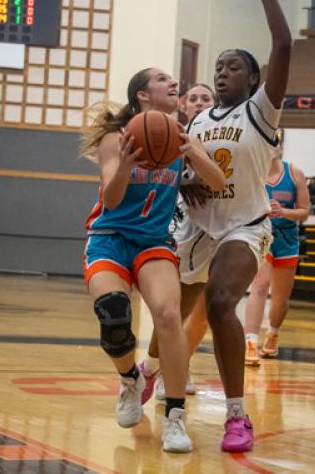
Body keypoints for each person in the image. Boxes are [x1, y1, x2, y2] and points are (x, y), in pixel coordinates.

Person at [142, 0, 291, 453]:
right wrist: (187, 182)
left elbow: (284, 42)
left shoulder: (261, 111)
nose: (222, 73)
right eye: (218, 67)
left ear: (253, 78)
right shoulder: (199, 121)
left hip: (244, 228)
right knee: (172, 313)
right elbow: (181, 174)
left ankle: (236, 415)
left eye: (233, 67)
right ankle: (149, 370)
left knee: (222, 301)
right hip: (196, 229)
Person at [80, 67, 225, 453]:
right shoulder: (118, 138)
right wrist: (126, 165)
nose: (172, 82)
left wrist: (193, 151)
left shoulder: (180, 137)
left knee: (168, 316)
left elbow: (218, 183)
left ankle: (175, 417)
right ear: (143, 95)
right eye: (162, 79)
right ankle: (130, 380)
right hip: (109, 238)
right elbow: (111, 199)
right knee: (113, 312)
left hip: (154, 242)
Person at [139, 83, 216, 401]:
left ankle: (176, 364)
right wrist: (184, 183)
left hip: (223, 227)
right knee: (177, 310)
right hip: (185, 227)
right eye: (194, 98)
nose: (199, 103)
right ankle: (158, 367)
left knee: (207, 313)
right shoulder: (172, 133)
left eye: (206, 98)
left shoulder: (225, 132)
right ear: (185, 105)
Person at [244, 136, 310, 366]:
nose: (271, 148)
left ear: (280, 148)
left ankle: (272, 334)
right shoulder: (253, 173)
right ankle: (250, 342)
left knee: (281, 298)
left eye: (275, 143)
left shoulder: (295, 174)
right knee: (260, 286)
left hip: (287, 238)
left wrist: (284, 212)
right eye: (267, 143)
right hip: (262, 235)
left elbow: (304, 212)